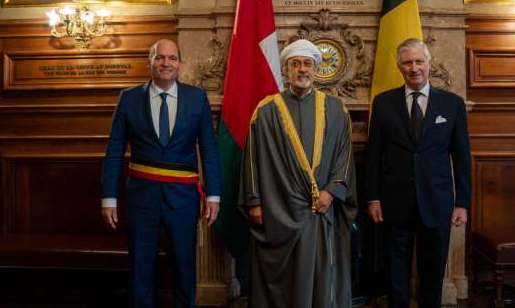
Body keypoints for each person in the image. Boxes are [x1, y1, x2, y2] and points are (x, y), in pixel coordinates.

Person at [101, 38, 221, 308]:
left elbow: (209, 149)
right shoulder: (129, 98)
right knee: (141, 267)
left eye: (172, 58)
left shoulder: (197, 97)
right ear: (150, 62)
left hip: (184, 198)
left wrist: (213, 195)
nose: (166, 63)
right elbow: (115, 150)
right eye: (160, 57)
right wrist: (108, 198)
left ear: (180, 64)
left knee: (184, 265)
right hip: (141, 199)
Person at [239, 39, 358, 308]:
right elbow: (252, 160)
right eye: (295, 64)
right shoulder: (266, 110)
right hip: (279, 207)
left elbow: (345, 156)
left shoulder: (337, 110)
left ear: (316, 69)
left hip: (321, 208)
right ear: (286, 70)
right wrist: (254, 200)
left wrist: (331, 191)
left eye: (307, 64)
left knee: (320, 274)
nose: (302, 69)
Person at [365, 38, 471, 308]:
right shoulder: (383, 103)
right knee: (395, 271)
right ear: (399, 66)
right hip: (393, 202)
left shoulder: (452, 104)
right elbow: (373, 155)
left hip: (437, 202)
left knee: (433, 271)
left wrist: (462, 203)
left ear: (429, 63)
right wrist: (373, 198)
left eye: (419, 61)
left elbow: (461, 157)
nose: (414, 68)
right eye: (408, 62)